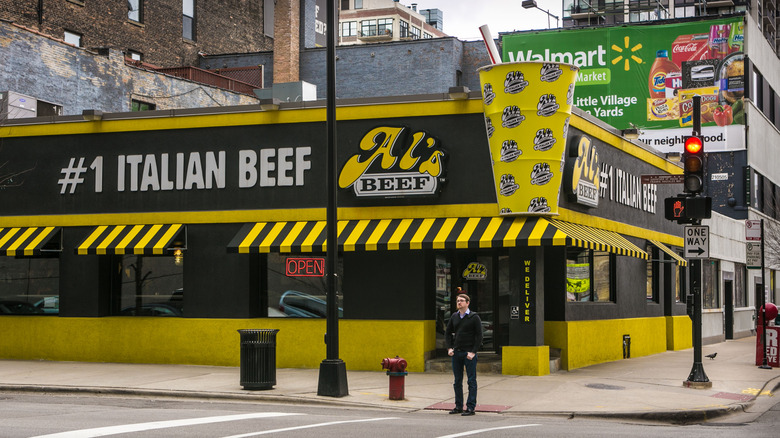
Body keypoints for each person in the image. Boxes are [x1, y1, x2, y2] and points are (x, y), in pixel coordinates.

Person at [445, 289, 482, 416]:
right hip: (457, 354)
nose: (459, 303)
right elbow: (448, 333)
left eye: (461, 301)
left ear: (467, 303)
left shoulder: (474, 317)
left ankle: (471, 407)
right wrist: (450, 348)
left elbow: (479, 336)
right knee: (457, 381)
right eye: (457, 301)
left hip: (469, 354)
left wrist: (473, 352)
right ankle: (458, 406)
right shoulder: (454, 316)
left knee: (471, 381)